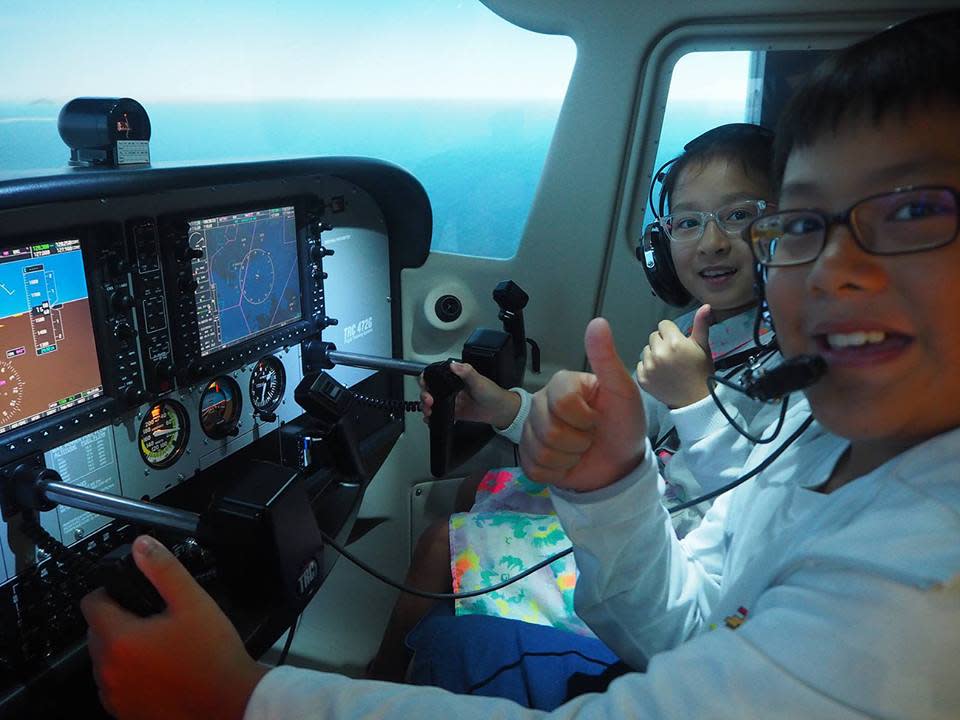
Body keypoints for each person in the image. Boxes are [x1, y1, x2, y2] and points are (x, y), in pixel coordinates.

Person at [81, 10, 960, 719]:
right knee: (450, 599)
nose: (838, 269)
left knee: (436, 554)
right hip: (660, 616)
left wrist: (245, 699)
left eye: (917, 210)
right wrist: (609, 479)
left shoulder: (921, 581)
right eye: (805, 224)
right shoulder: (820, 440)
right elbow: (686, 629)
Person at [366, 123, 778, 683]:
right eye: (688, 222)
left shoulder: (787, 357)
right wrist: (503, 408)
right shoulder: (690, 331)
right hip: (660, 504)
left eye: (737, 215)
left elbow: (752, 506)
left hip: (682, 549)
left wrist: (696, 401)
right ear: (662, 245)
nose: (712, 241)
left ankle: (379, 678)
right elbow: (610, 427)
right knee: (471, 488)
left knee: (442, 540)